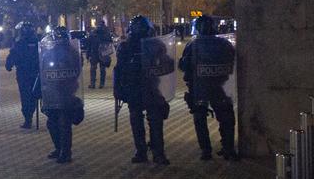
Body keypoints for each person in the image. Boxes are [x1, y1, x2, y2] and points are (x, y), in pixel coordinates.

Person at [114, 15, 173, 165]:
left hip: (151, 87)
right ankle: (146, 152)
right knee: (142, 120)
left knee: (153, 120)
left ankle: (155, 152)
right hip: (135, 88)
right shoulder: (126, 47)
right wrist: (119, 89)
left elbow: (167, 64)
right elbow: (119, 69)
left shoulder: (156, 45)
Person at [179, 15, 239, 161]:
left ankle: (206, 150)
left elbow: (183, 66)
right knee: (226, 118)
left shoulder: (193, 45)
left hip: (201, 88)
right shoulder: (224, 44)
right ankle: (228, 148)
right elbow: (234, 62)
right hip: (221, 88)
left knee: (200, 119)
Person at [41, 26, 84, 163]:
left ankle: (66, 152)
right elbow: (43, 70)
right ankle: (58, 148)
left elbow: (77, 70)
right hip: (53, 92)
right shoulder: (48, 53)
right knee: (52, 122)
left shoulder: (72, 53)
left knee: (64, 122)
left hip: (67, 92)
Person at [6, 21, 40, 129]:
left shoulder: (20, 43)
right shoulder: (37, 42)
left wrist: (9, 65)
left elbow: (12, 55)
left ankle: (28, 118)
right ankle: (29, 115)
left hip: (24, 74)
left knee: (26, 96)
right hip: (33, 74)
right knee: (33, 95)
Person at [84, 20, 115, 89]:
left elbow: (89, 45)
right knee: (102, 69)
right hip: (103, 53)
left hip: (94, 53)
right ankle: (101, 84)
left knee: (93, 69)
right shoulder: (106, 33)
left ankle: (92, 84)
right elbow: (110, 42)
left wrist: (88, 55)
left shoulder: (93, 33)